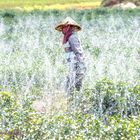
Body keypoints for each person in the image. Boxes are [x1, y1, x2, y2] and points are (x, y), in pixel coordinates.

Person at [55, 17, 86, 96]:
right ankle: (72, 95)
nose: (62, 29)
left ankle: (73, 95)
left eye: (64, 27)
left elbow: (77, 51)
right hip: (73, 61)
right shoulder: (69, 37)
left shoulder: (70, 37)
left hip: (74, 61)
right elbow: (74, 51)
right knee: (74, 78)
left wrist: (81, 63)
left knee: (74, 78)